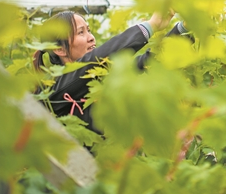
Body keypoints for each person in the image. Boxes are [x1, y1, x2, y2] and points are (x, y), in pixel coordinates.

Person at [32, 10, 189, 134]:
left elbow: (147, 62)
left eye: (89, 30)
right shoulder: (52, 89)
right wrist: (151, 25)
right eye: (81, 32)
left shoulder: (102, 78)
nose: (91, 37)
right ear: (59, 49)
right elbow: (95, 59)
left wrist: (184, 28)